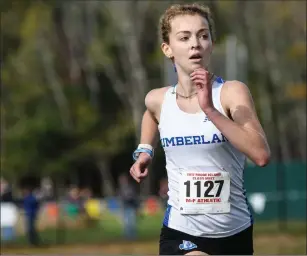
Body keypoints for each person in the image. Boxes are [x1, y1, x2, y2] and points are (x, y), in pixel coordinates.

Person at [129, 3, 270, 255]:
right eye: (184, 37)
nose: (195, 43)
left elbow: (260, 155)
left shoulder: (231, 93)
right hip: (180, 230)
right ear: (167, 49)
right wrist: (145, 150)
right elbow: (151, 114)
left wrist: (210, 110)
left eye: (203, 35)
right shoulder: (159, 99)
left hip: (233, 231)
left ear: (211, 45)